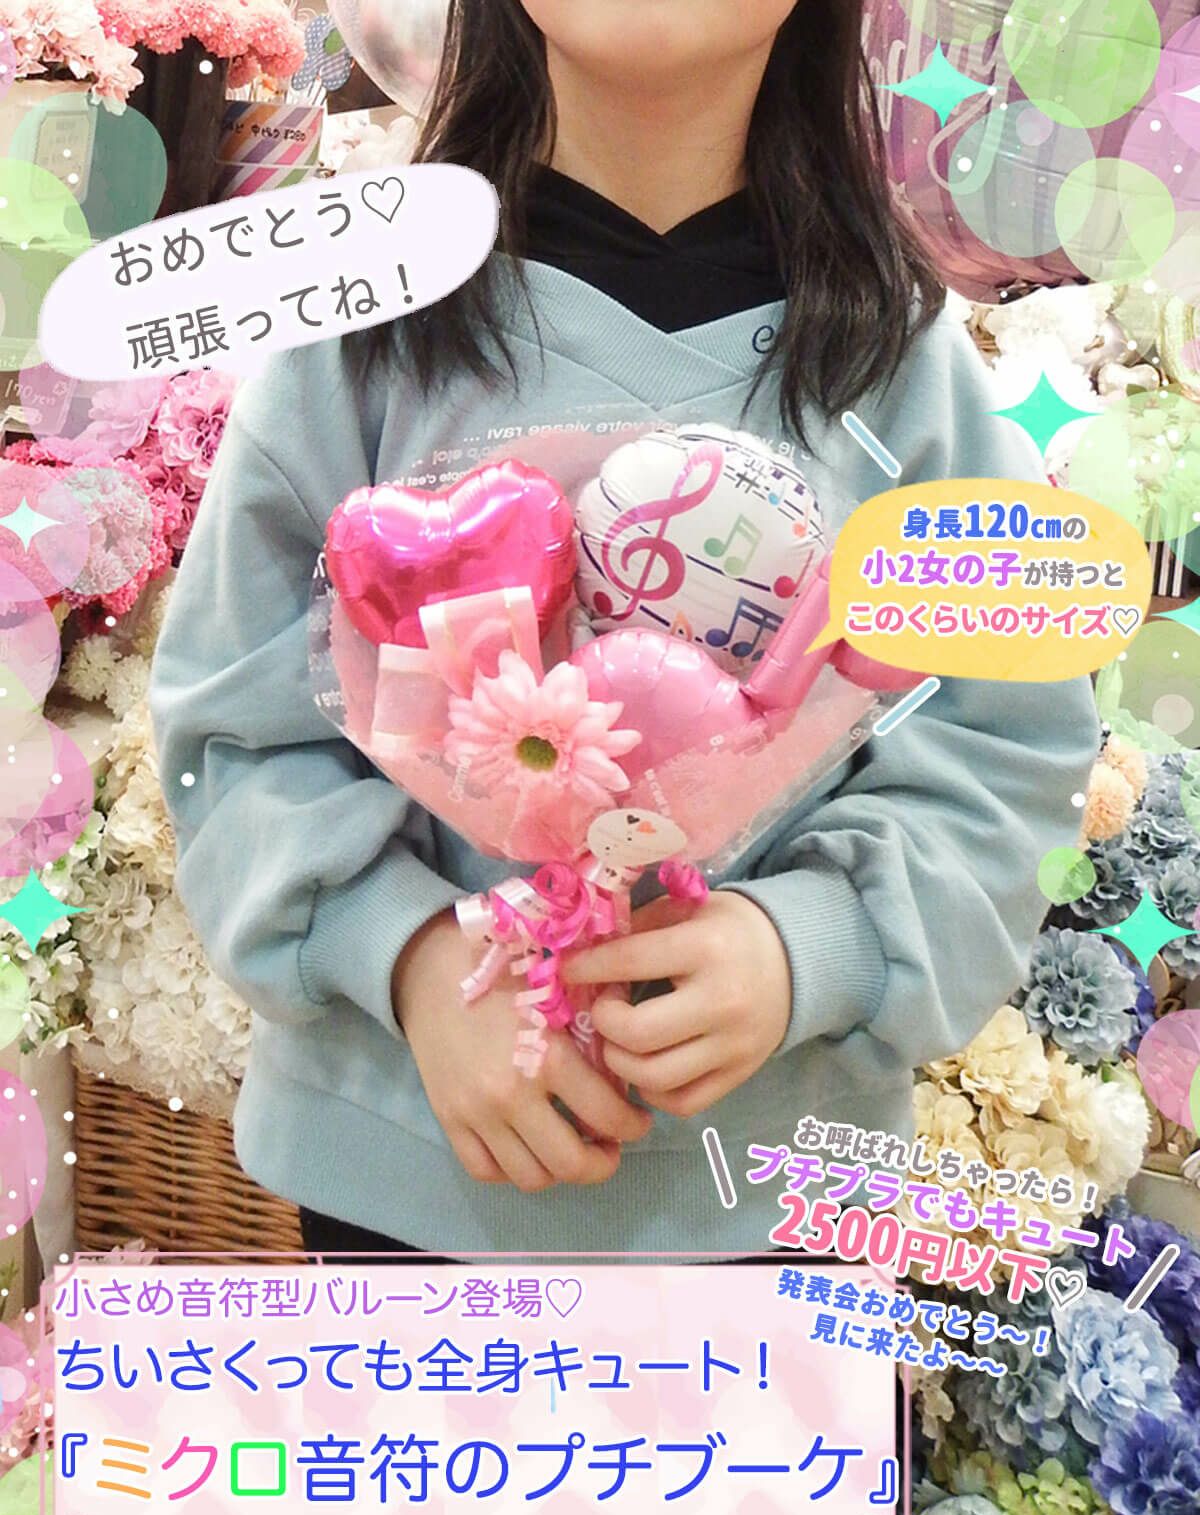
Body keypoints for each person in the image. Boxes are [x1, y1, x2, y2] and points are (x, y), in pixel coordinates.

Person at [150, 0, 1099, 1258]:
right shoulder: (359, 332)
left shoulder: (904, 369)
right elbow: (233, 724)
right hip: (400, 1176)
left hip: (776, 1201)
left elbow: (1009, 749)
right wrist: (408, 956)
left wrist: (814, 946)